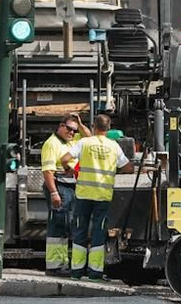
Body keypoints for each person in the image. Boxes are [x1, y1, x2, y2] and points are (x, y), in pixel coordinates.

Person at [69, 115, 125, 281]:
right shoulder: (114, 146)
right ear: (109, 128)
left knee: (80, 230)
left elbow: (65, 158)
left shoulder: (84, 143)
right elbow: (127, 166)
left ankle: (76, 272)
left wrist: (68, 168)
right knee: (98, 233)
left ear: (94, 126)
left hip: (84, 194)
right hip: (103, 195)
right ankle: (95, 273)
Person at [38, 113, 85, 274]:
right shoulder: (51, 144)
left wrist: (79, 123)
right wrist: (54, 193)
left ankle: (61, 263)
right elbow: (48, 171)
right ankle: (55, 266)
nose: (72, 133)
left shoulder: (71, 141)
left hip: (69, 186)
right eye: (70, 129)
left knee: (65, 225)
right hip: (59, 185)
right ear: (61, 126)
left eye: (75, 130)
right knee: (58, 225)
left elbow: (90, 138)